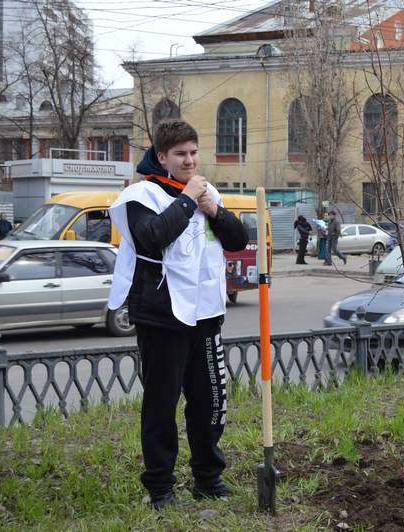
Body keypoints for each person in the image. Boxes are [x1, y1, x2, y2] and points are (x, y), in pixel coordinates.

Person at [107, 119, 248, 509]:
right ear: (162, 156)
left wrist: (214, 210)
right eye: (180, 154)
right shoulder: (139, 196)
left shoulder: (207, 191)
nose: (189, 160)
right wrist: (187, 199)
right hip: (162, 318)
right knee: (162, 406)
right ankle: (161, 489)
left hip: (206, 317)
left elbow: (237, 241)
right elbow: (151, 236)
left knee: (209, 402)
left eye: (193, 152)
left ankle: (208, 478)